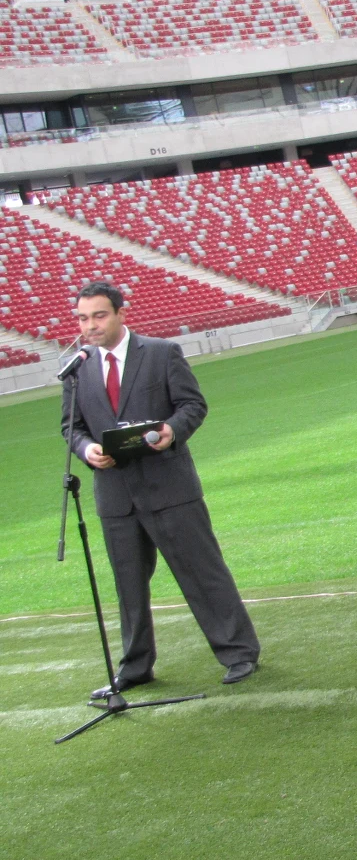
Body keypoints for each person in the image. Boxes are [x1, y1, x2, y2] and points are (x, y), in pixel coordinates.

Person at [61, 281, 260, 696]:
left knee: (203, 573)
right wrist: (87, 449)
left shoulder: (161, 352)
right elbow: (71, 426)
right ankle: (134, 668)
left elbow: (193, 405)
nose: (90, 326)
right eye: (83, 318)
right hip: (115, 495)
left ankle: (239, 652)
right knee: (128, 585)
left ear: (120, 313)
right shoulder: (77, 369)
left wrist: (172, 431)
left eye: (99, 315)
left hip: (169, 487)